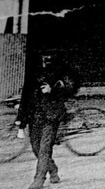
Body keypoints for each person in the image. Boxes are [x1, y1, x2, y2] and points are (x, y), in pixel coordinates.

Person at [16, 48, 78, 189]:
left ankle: (39, 180)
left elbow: (71, 88)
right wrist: (20, 119)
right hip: (34, 116)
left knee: (44, 149)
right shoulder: (32, 72)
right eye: (43, 55)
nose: (46, 58)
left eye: (49, 55)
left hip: (51, 116)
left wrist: (54, 90)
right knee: (36, 148)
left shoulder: (61, 70)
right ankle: (52, 169)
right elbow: (25, 97)